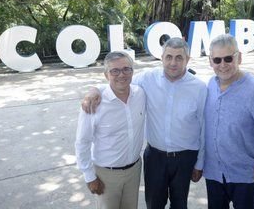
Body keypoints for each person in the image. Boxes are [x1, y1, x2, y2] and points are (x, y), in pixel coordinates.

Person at [82, 38, 207, 209]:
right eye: (169, 56)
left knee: (180, 204)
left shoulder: (199, 88)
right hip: (155, 157)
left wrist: (200, 163)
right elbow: (119, 81)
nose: (173, 62)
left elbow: (204, 127)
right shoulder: (148, 78)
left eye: (179, 57)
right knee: (154, 203)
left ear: (188, 59)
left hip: (185, 158)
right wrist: (94, 89)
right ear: (162, 57)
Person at [203, 34, 254, 209]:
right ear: (210, 62)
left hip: (245, 177)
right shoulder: (210, 84)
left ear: (239, 57)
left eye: (228, 58)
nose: (222, 65)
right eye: (217, 60)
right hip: (214, 174)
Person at [75, 51, 146, 209]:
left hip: (134, 171)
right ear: (106, 74)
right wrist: (89, 176)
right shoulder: (95, 104)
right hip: (106, 175)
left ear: (132, 71)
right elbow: (82, 142)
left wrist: (95, 88)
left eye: (126, 69)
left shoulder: (140, 94)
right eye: (115, 70)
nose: (122, 75)